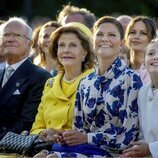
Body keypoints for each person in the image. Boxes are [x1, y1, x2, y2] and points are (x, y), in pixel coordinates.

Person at [44, 16, 142, 158]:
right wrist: (67, 137)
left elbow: (128, 138)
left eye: (111, 35)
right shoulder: (85, 82)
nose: (104, 39)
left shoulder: (131, 79)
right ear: (92, 41)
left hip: (114, 154)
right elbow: (79, 130)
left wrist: (87, 138)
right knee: (43, 154)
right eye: (100, 34)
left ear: (121, 43)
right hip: (83, 150)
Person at [31, 22, 94, 157]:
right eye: (61, 45)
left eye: (73, 45)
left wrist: (59, 134)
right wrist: (46, 134)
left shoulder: (94, 82)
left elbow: (96, 131)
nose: (66, 50)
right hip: (44, 148)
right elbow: (36, 128)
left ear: (84, 52)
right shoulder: (50, 83)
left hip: (80, 151)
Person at [0, 17, 51, 140]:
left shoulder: (40, 77)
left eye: (17, 35)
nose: (10, 39)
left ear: (30, 44)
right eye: (6, 35)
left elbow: (27, 122)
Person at [120, 39, 158, 158]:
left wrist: (151, 149)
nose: (156, 57)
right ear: (144, 62)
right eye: (151, 53)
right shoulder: (143, 92)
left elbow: (149, 148)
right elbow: (143, 134)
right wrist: (135, 150)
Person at [125, 16, 157, 84]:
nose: (136, 36)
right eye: (133, 32)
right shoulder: (119, 67)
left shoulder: (154, 70)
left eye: (143, 33)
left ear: (152, 38)